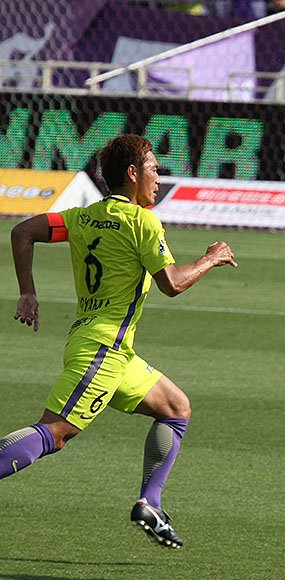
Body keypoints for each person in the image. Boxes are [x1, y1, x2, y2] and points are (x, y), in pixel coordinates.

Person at [4, 134, 236, 549]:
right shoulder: (142, 222)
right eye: (154, 169)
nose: (159, 178)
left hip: (106, 348)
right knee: (56, 432)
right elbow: (171, 284)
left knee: (175, 408)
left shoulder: (83, 217)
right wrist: (211, 258)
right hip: (103, 351)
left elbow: (23, 232)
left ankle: (150, 504)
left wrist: (28, 293)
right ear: (132, 174)